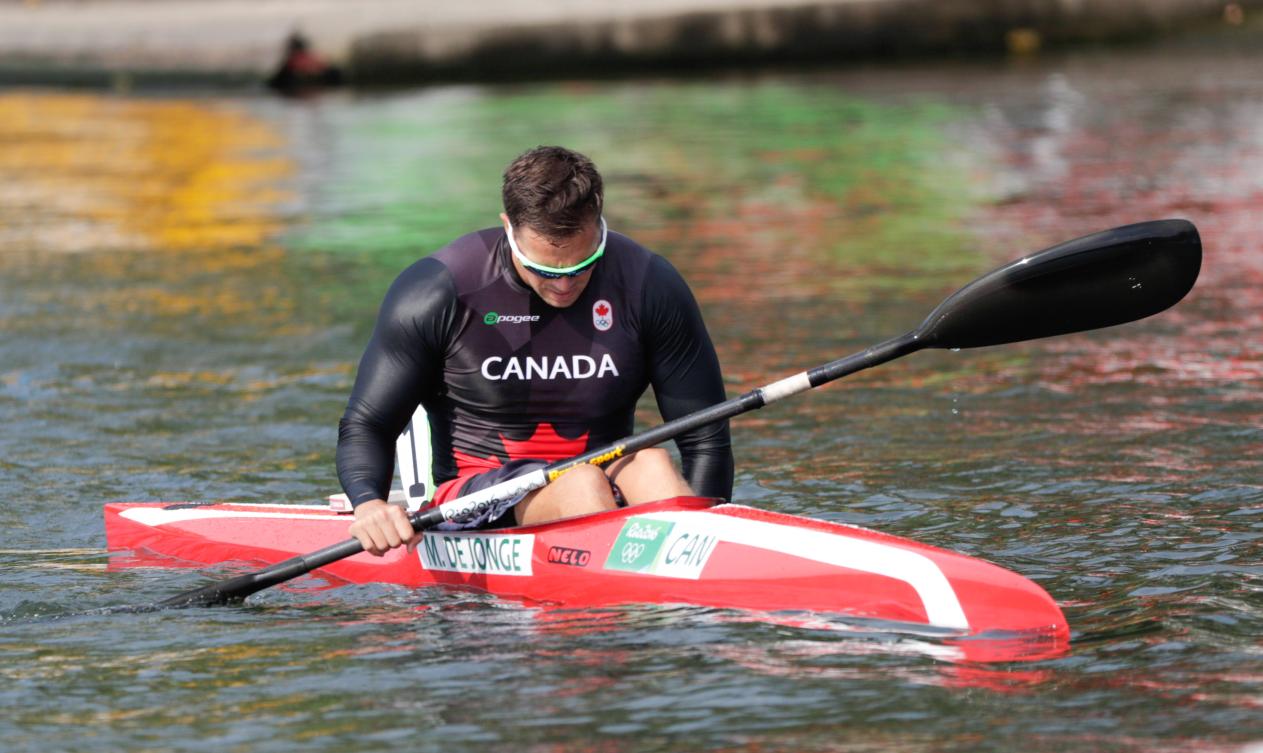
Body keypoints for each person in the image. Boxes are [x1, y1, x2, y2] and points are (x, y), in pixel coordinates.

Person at [337, 146, 732, 555]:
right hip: (474, 498)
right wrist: (370, 506)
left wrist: (717, 548)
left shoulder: (650, 285)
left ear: (600, 225)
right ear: (509, 227)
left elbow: (706, 438)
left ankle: (697, 599)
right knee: (580, 482)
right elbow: (367, 424)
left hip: (603, 477)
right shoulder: (438, 291)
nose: (564, 285)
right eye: (545, 269)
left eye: (583, 264)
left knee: (651, 463)